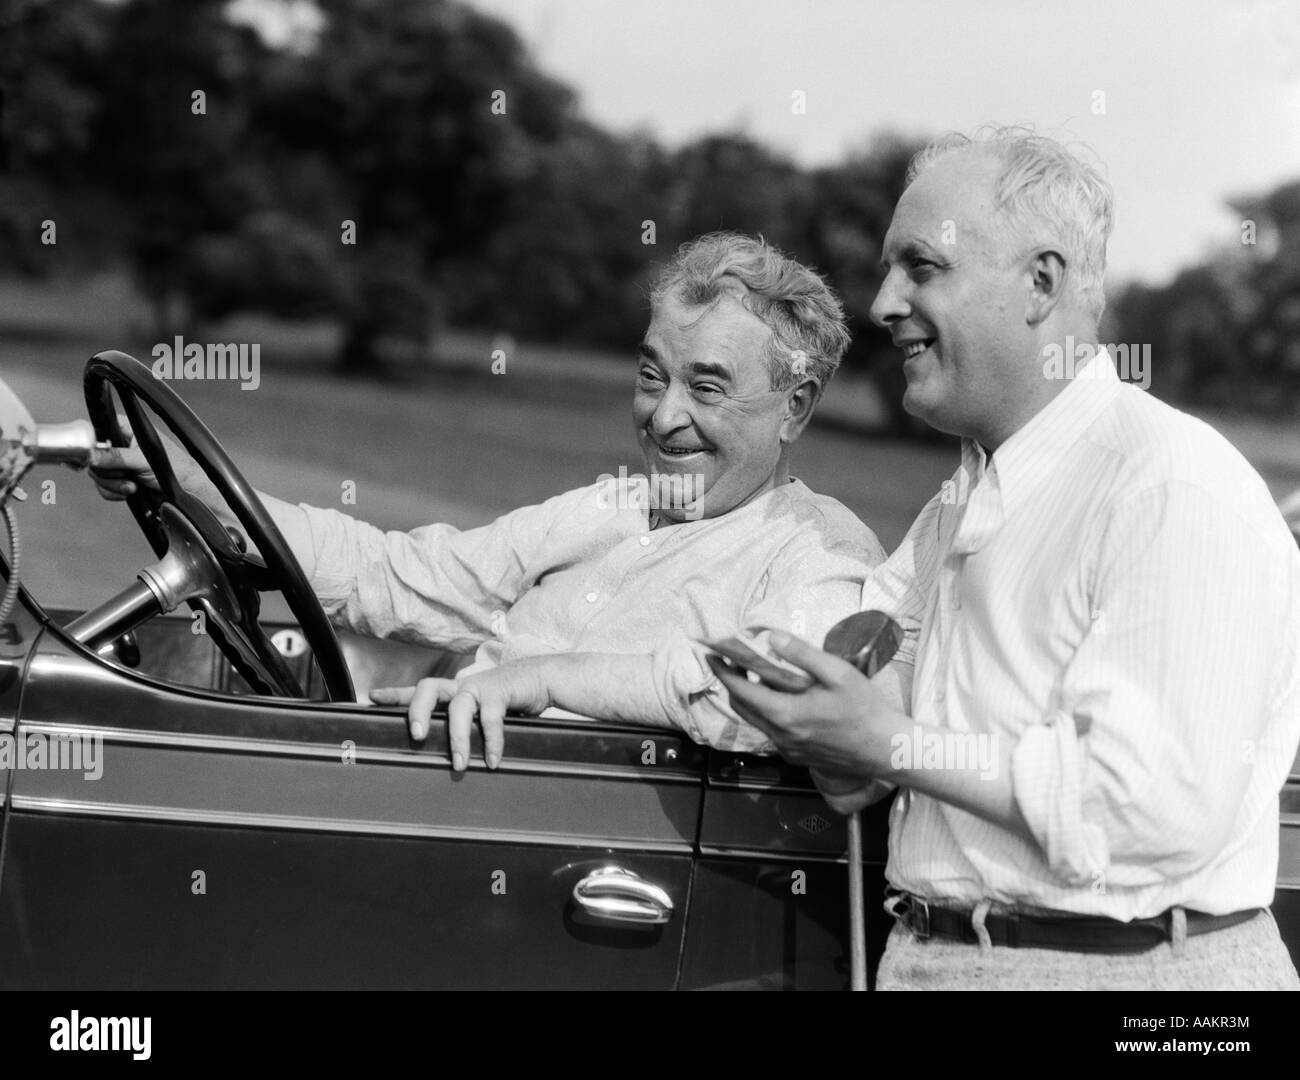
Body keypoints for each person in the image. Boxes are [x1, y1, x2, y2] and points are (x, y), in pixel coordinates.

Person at [708, 128, 1300, 990]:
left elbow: (1148, 809)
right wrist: (835, 730)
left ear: (1041, 283)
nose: (881, 303)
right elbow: (868, 747)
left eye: (922, 267)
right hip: (941, 959)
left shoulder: (1172, 483)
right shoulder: (963, 499)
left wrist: (888, 741)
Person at [94, 232, 885, 770]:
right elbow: (398, 574)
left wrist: (543, 678)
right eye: (651, 376)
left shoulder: (818, 554)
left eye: (706, 387)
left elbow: (787, 702)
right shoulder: (608, 508)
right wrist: (184, 480)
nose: (663, 415)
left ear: (797, 407)